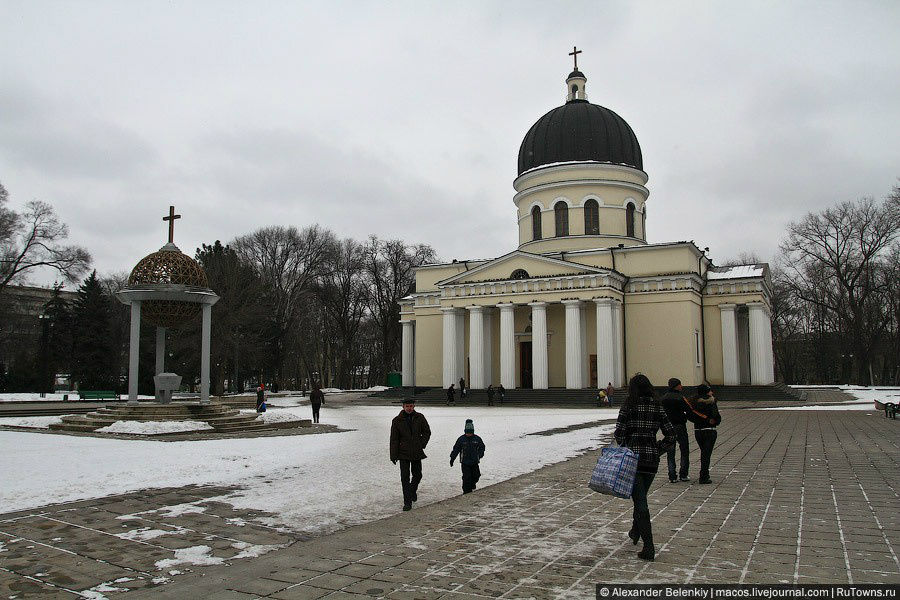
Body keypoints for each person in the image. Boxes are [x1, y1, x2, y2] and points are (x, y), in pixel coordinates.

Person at [614, 373, 676, 561]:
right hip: (651, 461)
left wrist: (628, 446)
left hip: (632, 460)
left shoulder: (628, 405)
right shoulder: (657, 406)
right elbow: (671, 436)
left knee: (640, 502)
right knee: (640, 498)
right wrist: (657, 449)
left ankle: (648, 546)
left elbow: (619, 433)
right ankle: (635, 530)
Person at [389, 399, 431, 511]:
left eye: (411, 406)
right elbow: (394, 439)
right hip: (403, 453)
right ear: (403, 407)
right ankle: (407, 502)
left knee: (418, 475)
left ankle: (412, 491)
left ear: (414, 406)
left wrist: (422, 443)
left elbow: (427, 432)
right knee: (405, 478)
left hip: (416, 451)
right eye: (407, 406)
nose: (409, 408)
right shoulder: (397, 420)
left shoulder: (419, 417)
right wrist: (393, 455)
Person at [661, 378, 691, 483]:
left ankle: (672, 475)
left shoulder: (663, 398)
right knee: (684, 449)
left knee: (670, 451)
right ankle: (683, 474)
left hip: (668, 427)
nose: (681, 386)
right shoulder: (680, 397)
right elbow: (688, 409)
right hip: (680, 425)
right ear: (676, 386)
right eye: (680, 384)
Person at [689, 384, 721, 485]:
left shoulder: (693, 403)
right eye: (710, 390)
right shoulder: (711, 401)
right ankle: (704, 475)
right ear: (707, 392)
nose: (712, 392)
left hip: (698, 430)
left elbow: (690, 416)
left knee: (704, 452)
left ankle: (704, 473)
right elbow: (716, 416)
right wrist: (713, 421)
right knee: (706, 454)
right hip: (709, 430)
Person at [450, 419, 486, 494]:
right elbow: (456, 449)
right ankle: (466, 492)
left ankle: (472, 484)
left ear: (473, 432)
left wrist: (480, 455)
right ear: (465, 431)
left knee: (477, 475)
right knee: (466, 478)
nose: (468, 434)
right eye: (467, 432)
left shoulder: (477, 438)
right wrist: (452, 458)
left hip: (474, 461)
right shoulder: (461, 439)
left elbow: (482, 447)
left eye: (470, 432)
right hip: (465, 462)